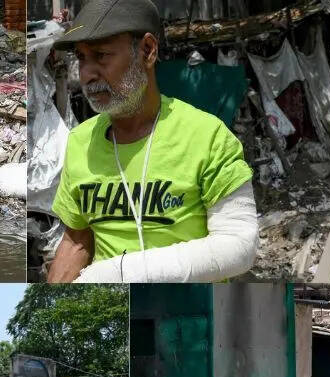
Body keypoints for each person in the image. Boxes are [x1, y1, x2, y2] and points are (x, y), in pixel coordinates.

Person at [48, 0, 258, 283]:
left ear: (147, 51)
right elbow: (77, 241)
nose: (86, 74)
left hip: (188, 314)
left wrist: (117, 272)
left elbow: (239, 247)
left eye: (101, 55)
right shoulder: (79, 143)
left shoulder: (208, 137)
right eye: (82, 58)